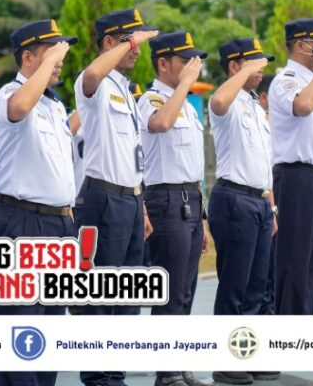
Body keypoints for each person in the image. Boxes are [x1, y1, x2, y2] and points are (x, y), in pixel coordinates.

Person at [0, 19, 75, 386]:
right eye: (52, 53)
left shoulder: (53, 104)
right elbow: (19, 107)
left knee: (48, 330)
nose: (60, 61)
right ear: (28, 57)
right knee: (21, 331)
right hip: (21, 222)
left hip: (57, 226)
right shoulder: (10, 93)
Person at [73, 8, 157, 386]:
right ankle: (97, 375)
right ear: (110, 42)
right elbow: (92, 73)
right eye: (131, 41)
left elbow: (132, 154)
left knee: (127, 295)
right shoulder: (96, 84)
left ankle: (115, 372)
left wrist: (140, 204)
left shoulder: (124, 86)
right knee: (99, 293)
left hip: (129, 199)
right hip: (101, 199)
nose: (138, 50)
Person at [138, 32, 212, 386]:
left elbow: (193, 164)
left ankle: (180, 363)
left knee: (186, 290)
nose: (192, 68)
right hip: (165, 200)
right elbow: (160, 124)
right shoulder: (152, 99)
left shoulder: (185, 103)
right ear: (163, 63)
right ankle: (166, 371)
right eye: (185, 61)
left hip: (189, 200)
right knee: (169, 291)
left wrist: (202, 215)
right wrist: (183, 86)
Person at [206, 38, 275, 386]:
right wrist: (245, 71)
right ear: (235, 66)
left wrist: (272, 205)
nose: (261, 69)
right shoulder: (228, 102)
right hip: (234, 199)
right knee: (234, 284)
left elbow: (264, 162)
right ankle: (225, 360)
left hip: (259, 201)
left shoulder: (253, 105)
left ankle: (246, 353)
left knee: (257, 286)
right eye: (253, 63)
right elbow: (218, 100)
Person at [267, 18, 313, 315]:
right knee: (294, 260)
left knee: (310, 263)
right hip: (297, 178)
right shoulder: (287, 80)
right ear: (300, 46)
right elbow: (303, 106)